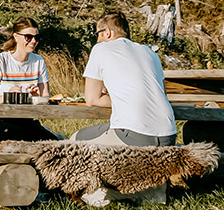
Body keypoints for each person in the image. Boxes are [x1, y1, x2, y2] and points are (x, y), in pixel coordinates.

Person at [72, 11, 177, 147]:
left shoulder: (101, 48)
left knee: (74, 141)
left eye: (98, 34)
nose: (97, 39)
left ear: (107, 32)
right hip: (168, 135)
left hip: (135, 134)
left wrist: (120, 98)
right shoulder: (150, 52)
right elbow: (158, 93)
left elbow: (92, 99)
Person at [0, 17, 58, 141]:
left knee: (55, 145)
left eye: (37, 37)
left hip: (26, 120)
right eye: (28, 37)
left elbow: (45, 97)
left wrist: (36, 97)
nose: (33, 41)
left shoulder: (38, 61)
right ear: (16, 36)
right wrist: (8, 97)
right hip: (1, 121)